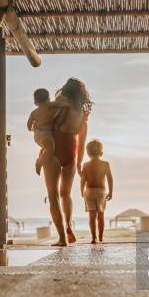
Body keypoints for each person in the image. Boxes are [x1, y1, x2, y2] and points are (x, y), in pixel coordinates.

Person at [41, 78, 92, 246]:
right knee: (66, 194)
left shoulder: (60, 104)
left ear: (65, 90)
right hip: (71, 153)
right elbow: (82, 143)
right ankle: (69, 227)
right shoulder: (82, 115)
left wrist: (41, 154)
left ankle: (62, 238)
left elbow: (46, 127)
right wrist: (78, 163)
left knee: (53, 195)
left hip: (54, 150)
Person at [80, 139, 113, 244]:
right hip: (101, 192)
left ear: (88, 153)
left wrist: (82, 191)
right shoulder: (105, 164)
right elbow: (110, 178)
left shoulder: (85, 165)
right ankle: (101, 238)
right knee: (101, 216)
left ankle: (94, 238)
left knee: (91, 216)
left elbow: (83, 180)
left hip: (89, 191)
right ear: (101, 152)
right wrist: (111, 191)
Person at [27, 88, 59, 175]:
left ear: (35, 101)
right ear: (48, 98)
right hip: (45, 134)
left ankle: (40, 158)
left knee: (45, 148)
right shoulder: (50, 107)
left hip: (38, 134)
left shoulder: (34, 112)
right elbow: (59, 106)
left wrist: (33, 128)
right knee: (50, 149)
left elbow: (28, 126)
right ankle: (39, 163)